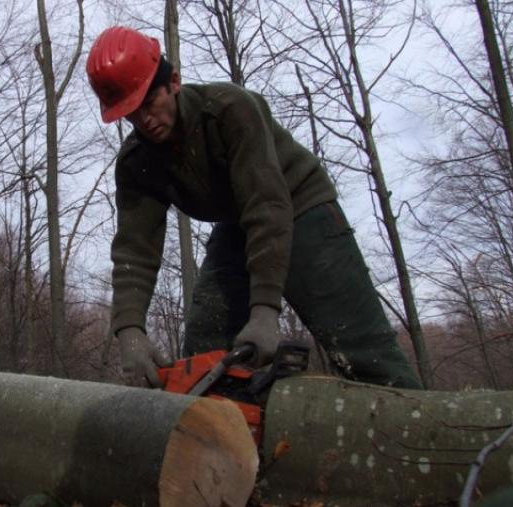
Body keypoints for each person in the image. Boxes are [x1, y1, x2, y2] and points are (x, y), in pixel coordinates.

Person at [86, 26, 422, 390]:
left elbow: (267, 206)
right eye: (131, 114)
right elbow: (135, 249)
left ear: (174, 82)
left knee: (364, 355)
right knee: (205, 357)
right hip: (238, 225)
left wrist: (264, 311)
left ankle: (421, 433)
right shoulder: (138, 163)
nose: (144, 121)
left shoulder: (229, 110)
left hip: (301, 207)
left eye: (149, 103)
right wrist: (129, 329)